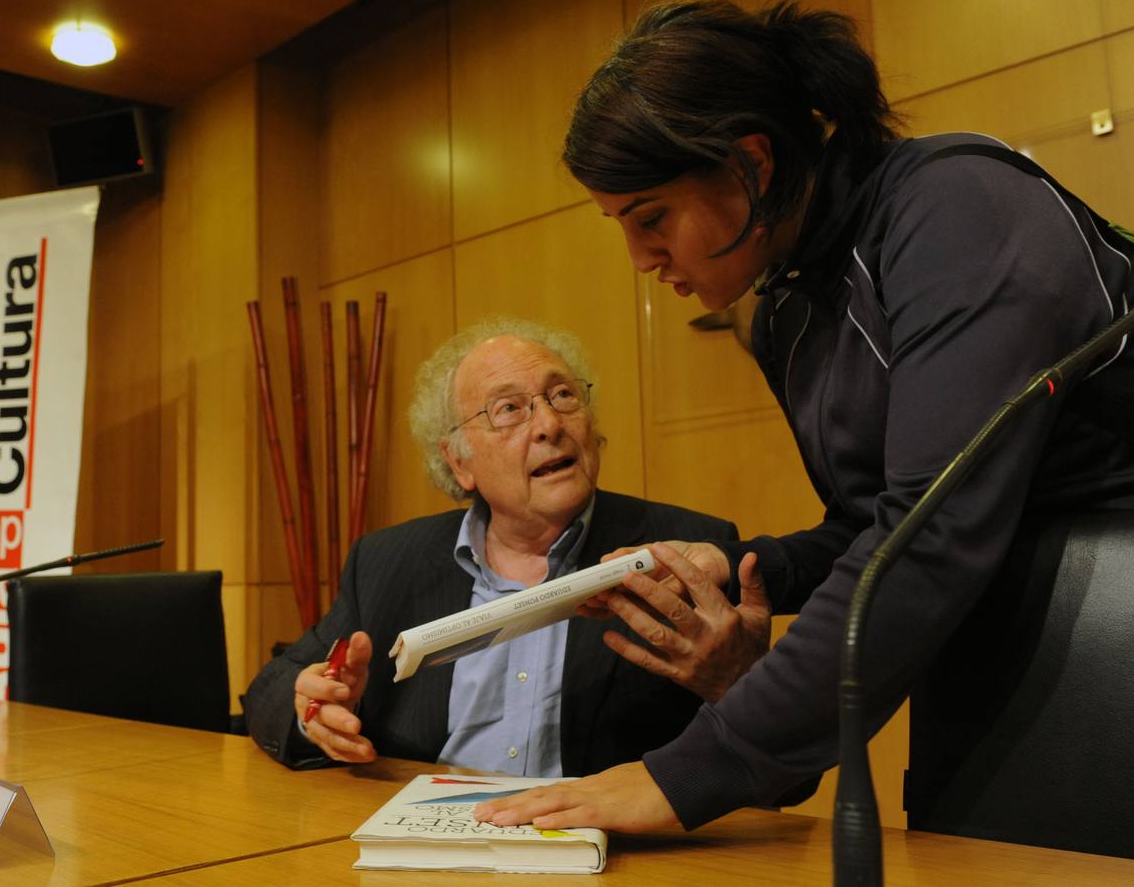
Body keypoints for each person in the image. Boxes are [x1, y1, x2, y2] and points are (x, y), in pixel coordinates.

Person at [474, 0, 1134, 833]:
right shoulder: (786, 314)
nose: (641, 258)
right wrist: (739, 565)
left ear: (751, 163)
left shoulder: (956, 206)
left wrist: (687, 774)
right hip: (1004, 660)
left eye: (650, 217)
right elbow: (867, 522)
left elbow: (928, 533)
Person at [243, 318, 761, 777]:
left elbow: (782, 764)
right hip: (425, 842)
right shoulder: (386, 561)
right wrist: (314, 712)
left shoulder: (687, 552)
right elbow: (274, 686)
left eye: (562, 396)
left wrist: (737, 686)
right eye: (509, 409)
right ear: (459, 461)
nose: (550, 425)